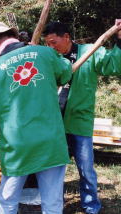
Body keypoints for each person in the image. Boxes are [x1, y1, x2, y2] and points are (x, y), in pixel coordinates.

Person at [0, 22, 72, 213]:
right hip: (50, 139)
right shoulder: (45, 53)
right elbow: (65, 73)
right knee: (52, 201)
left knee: (7, 200)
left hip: (16, 143)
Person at [43, 20, 121, 214]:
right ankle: (53, 205)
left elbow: (114, 65)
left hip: (79, 122)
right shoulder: (50, 57)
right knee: (53, 169)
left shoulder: (90, 51)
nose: (50, 47)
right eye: (47, 43)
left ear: (67, 37)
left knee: (86, 169)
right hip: (55, 124)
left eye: (53, 42)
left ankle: (91, 206)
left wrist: (120, 41)